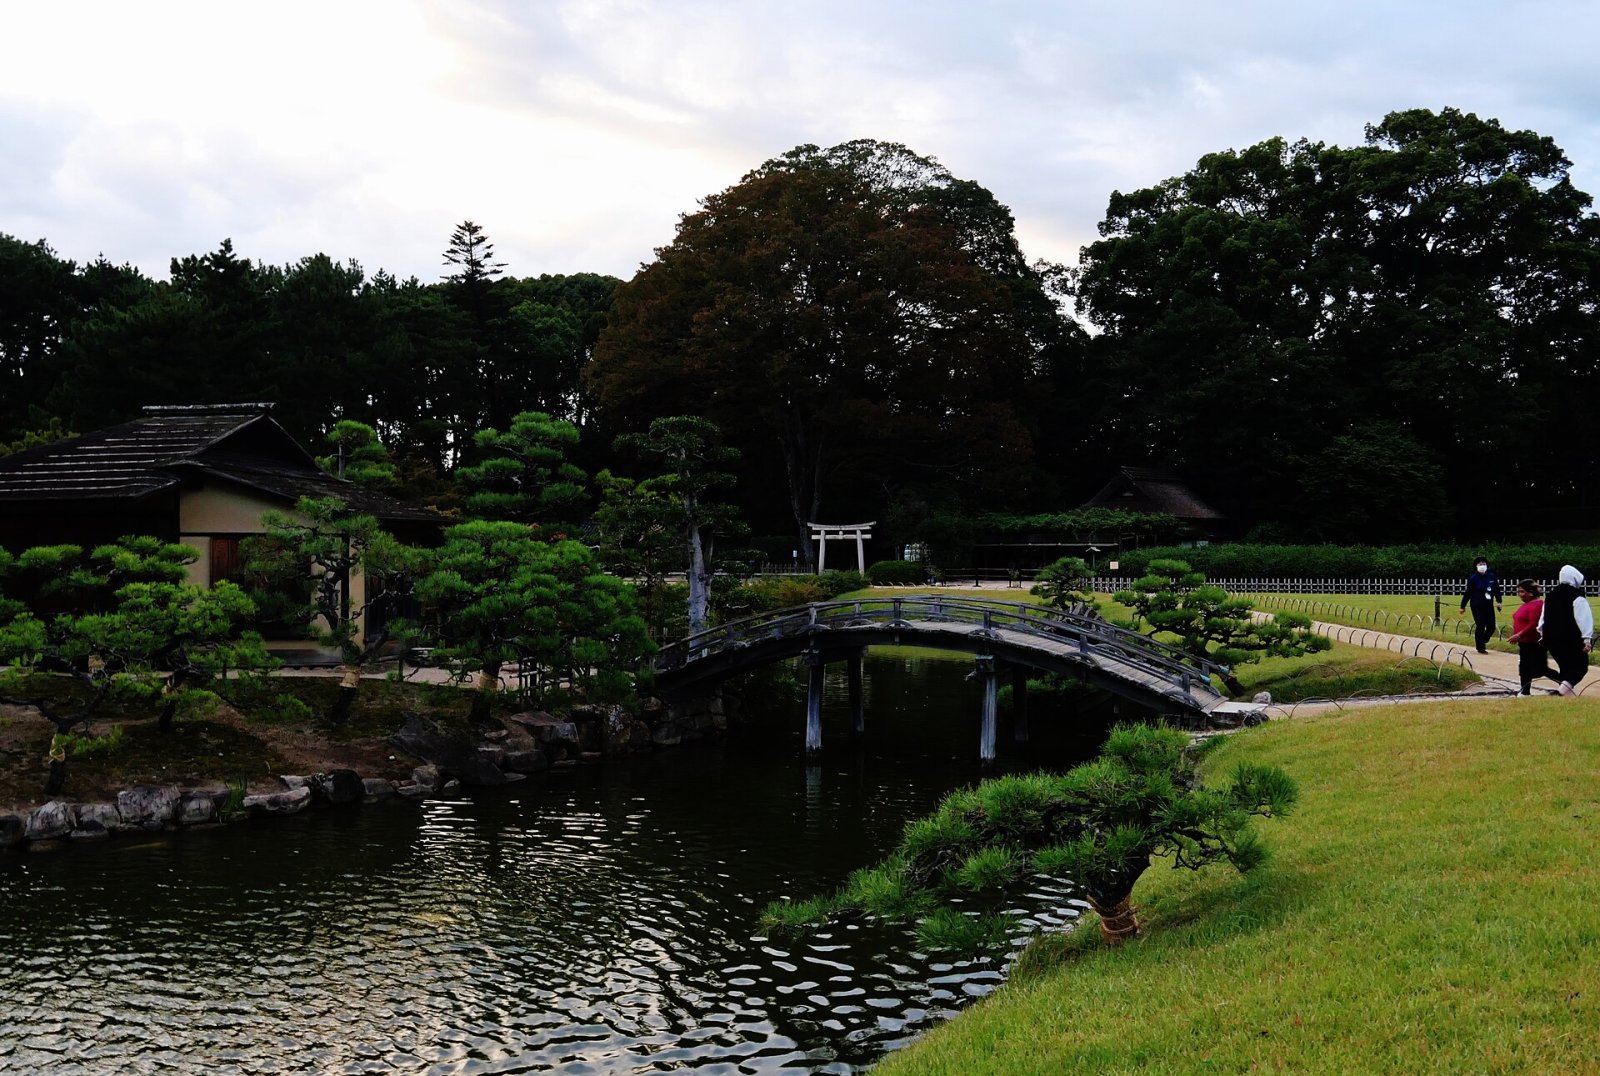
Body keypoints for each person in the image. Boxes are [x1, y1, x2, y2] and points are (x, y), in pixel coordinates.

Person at [1538, 564, 1594, 696]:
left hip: (1551, 639)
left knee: (1565, 668)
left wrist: (1542, 632)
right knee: (1581, 667)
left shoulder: (1551, 595)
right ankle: (1560, 693)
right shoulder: (1577, 596)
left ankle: (1568, 697)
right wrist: (1587, 639)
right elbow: (1584, 618)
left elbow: (1543, 617)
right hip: (1570, 639)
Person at [1506, 580, 1559, 696]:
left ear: (1530, 592)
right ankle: (1525, 692)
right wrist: (1516, 635)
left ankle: (1566, 685)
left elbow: (1534, 624)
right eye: (1519, 592)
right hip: (1524, 642)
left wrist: (1519, 634)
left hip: (1534, 642)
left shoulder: (1537, 605)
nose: (1520, 594)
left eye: (1522, 592)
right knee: (1525, 668)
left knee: (1540, 669)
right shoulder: (1526, 604)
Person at [1458, 556, 1501, 654]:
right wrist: (1462, 606)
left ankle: (1483, 639)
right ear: (1476, 566)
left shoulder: (1492, 576)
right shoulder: (1473, 578)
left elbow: (1496, 590)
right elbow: (1468, 593)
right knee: (1481, 625)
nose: (1482, 566)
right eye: (1480, 564)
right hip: (1477, 605)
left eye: (1484, 564)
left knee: (1491, 627)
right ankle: (1480, 647)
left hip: (1489, 605)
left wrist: (1499, 601)